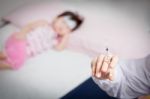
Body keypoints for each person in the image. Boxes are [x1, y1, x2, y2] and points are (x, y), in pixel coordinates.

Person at [0, 11, 83, 70]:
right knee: (16, 61)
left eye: (67, 28)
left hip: (24, 52)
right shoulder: (44, 23)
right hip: (21, 40)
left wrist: (66, 35)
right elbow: (29, 26)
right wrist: (22, 34)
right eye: (63, 22)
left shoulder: (56, 39)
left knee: (11, 59)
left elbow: (59, 48)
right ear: (56, 18)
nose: (62, 27)